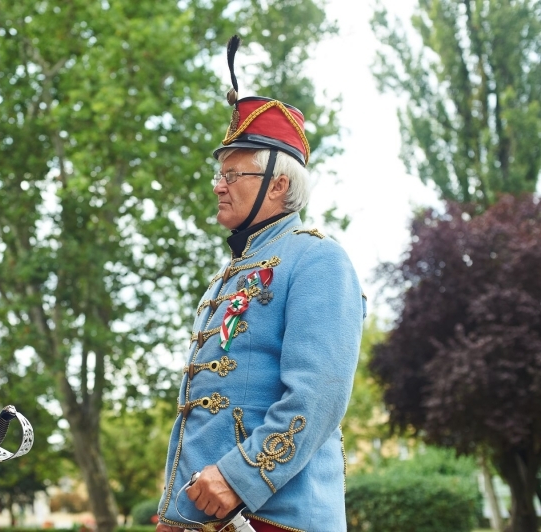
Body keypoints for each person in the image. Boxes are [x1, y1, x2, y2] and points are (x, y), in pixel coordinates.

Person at [156, 36, 365, 532]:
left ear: (278, 184)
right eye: (218, 172)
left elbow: (318, 396)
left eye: (234, 172)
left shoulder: (319, 260)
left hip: (274, 517)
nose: (218, 185)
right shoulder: (225, 278)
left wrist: (239, 477)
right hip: (202, 516)